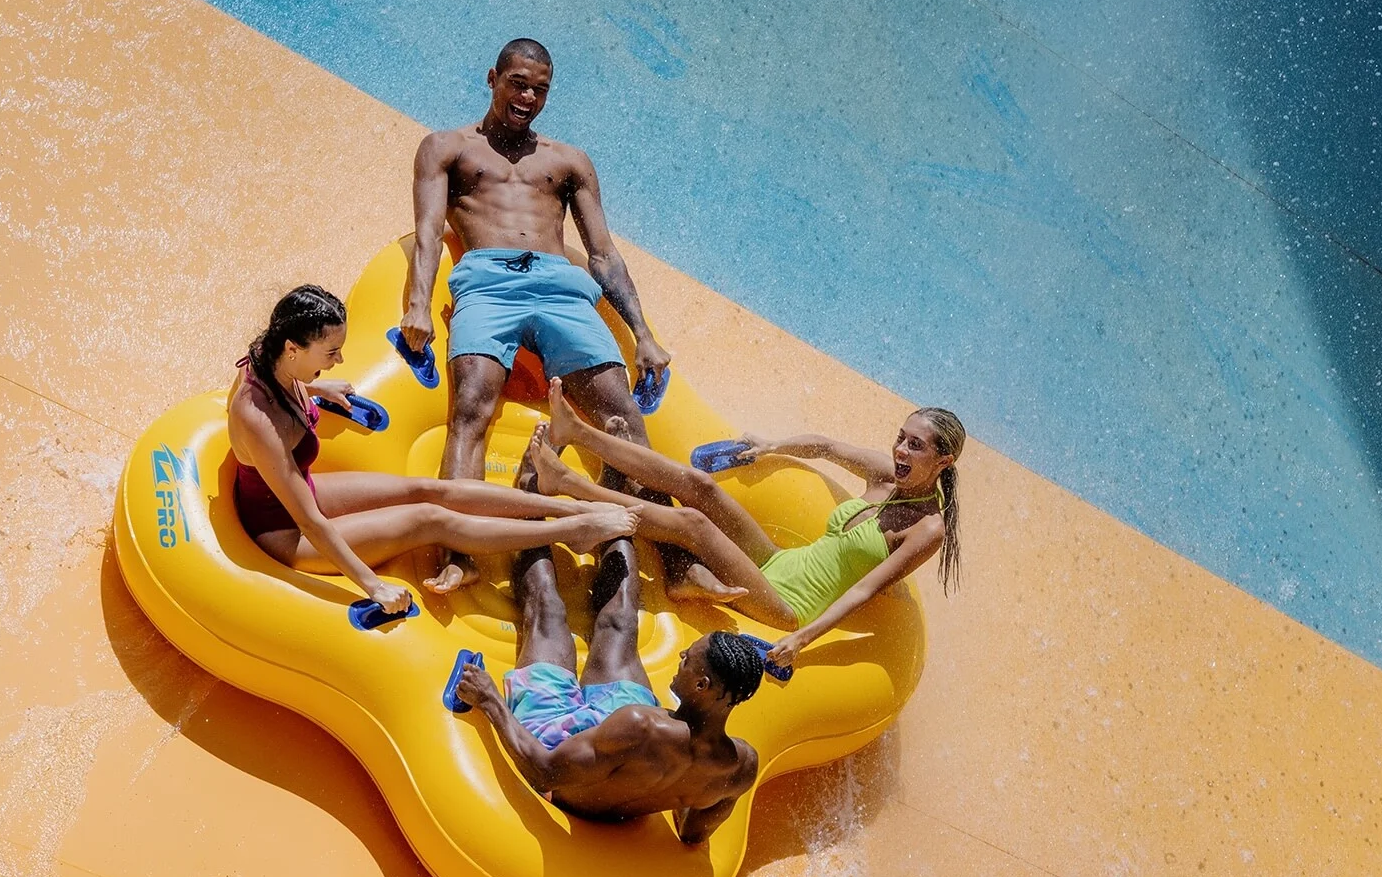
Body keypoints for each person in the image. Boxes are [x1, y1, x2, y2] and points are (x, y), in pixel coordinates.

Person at [401, 37, 736, 604]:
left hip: (562, 291)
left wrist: (644, 335)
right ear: (493, 78)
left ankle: (676, 564)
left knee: (623, 419)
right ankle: (460, 555)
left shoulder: (568, 161)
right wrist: (416, 303)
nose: (528, 97)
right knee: (470, 409)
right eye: (518, 83)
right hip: (487, 283)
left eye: (540, 89)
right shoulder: (446, 148)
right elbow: (430, 231)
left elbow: (603, 253)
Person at [228, 285, 637, 618]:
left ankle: (574, 509)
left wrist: (314, 387)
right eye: (331, 353)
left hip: (301, 494)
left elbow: (282, 385)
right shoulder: (260, 423)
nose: (340, 360)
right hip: (288, 534)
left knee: (426, 488)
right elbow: (311, 522)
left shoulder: (270, 355)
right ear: (293, 348)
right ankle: (574, 531)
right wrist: (375, 587)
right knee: (430, 518)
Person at [522, 378, 967, 668]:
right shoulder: (886, 476)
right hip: (778, 562)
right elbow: (827, 446)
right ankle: (576, 432)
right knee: (701, 486)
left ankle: (565, 483)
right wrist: (773, 446)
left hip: (787, 605)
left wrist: (803, 640)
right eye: (900, 439)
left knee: (693, 523)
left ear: (943, 460)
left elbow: (864, 588)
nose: (901, 451)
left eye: (916, 446)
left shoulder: (927, 530)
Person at [453, 536, 763, 844]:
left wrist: (489, 699)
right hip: (617, 738)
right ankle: (615, 523)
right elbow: (693, 833)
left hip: (555, 741)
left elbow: (544, 771)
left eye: (688, 659)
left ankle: (532, 509)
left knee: (547, 611)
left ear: (701, 685)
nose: (681, 657)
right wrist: (677, 788)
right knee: (621, 621)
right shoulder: (741, 766)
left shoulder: (642, 725)